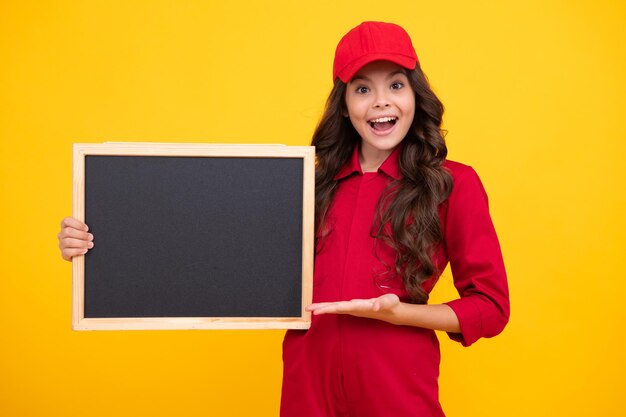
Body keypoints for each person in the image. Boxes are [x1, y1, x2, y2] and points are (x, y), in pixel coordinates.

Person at [58, 21, 509, 417]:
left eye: (395, 85)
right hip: (306, 389)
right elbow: (202, 244)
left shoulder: (454, 184)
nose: (379, 103)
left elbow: (491, 307)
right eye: (362, 88)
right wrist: (98, 244)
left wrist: (402, 314)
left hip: (397, 389)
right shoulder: (303, 184)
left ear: (415, 94)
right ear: (344, 102)